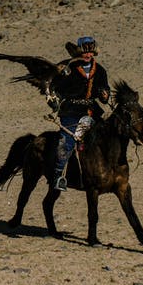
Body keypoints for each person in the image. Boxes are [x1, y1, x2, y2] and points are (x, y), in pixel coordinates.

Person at [49, 36, 110, 191]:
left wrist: (105, 94)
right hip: (71, 110)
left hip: (92, 111)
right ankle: (58, 176)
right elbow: (53, 86)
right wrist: (54, 99)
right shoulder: (67, 68)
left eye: (90, 53)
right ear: (78, 52)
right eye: (85, 52)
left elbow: (105, 90)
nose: (88, 55)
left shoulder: (100, 70)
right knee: (67, 141)